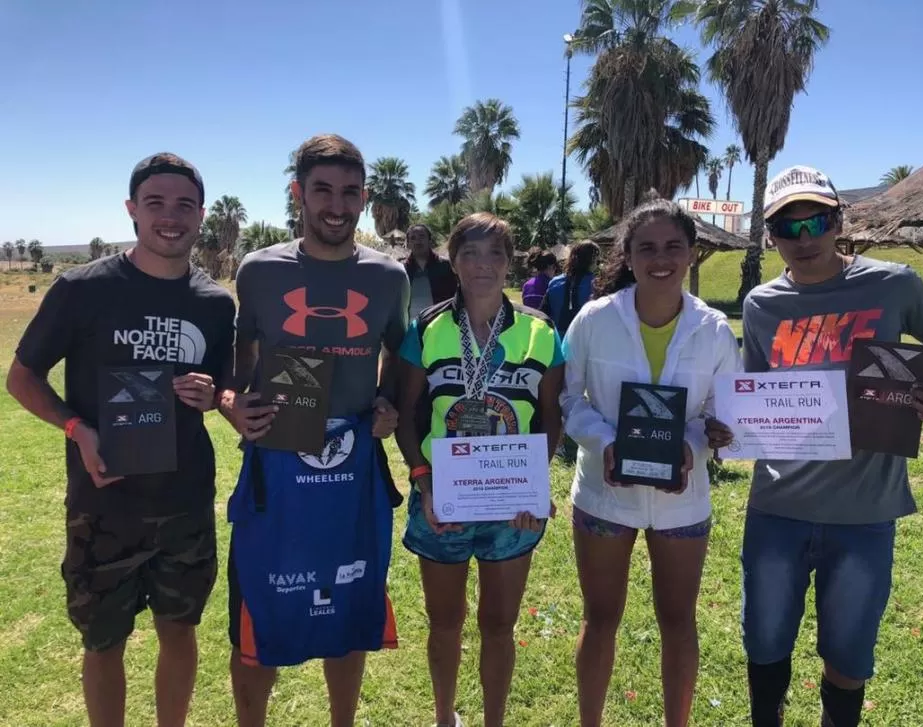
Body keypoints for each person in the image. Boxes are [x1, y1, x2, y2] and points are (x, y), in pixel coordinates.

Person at [708, 166, 923, 727]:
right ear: (769, 234)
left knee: (848, 655)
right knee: (765, 641)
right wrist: (729, 426)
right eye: (787, 226)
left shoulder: (893, 284)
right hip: (778, 507)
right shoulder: (760, 305)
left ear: (838, 220)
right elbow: (758, 393)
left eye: (816, 221)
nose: (804, 240)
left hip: (865, 511)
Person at [5, 153, 236, 727]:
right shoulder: (83, 289)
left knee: (179, 633)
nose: (170, 217)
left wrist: (213, 396)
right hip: (103, 504)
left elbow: (224, 391)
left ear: (202, 215)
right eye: (155, 203)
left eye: (184, 205)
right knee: (103, 642)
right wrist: (77, 429)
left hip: (183, 503)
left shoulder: (213, 304)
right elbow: (22, 377)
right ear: (132, 210)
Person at [218, 134, 409, 727]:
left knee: (350, 601)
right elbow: (240, 361)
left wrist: (387, 403)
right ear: (298, 193)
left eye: (350, 192)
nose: (336, 205)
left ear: (366, 198)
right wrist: (230, 403)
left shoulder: (387, 277)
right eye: (322, 189)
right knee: (262, 601)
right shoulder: (259, 271)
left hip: (352, 472)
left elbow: (400, 358)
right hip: (275, 468)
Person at [560, 200, 742, 727]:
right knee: (600, 620)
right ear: (629, 255)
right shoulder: (594, 320)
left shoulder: (713, 330)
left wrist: (694, 449)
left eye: (672, 247)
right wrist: (603, 441)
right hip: (603, 493)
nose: (660, 259)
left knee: (679, 622)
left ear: (691, 252)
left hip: (682, 502)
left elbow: (718, 413)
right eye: (647, 248)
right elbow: (570, 399)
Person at [395, 213, 564, 727]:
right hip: (440, 499)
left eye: (495, 254)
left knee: (499, 625)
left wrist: (536, 486)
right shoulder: (426, 328)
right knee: (444, 623)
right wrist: (421, 479)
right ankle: (444, 717)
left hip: (510, 505)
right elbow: (405, 414)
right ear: (454, 259)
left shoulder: (540, 331)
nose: (482, 265)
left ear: (510, 263)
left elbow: (552, 417)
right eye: (470, 253)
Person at [541, 240, 600, 337]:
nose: (597, 265)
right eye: (597, 261)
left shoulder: (555, 282)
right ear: (592, 261)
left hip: (558, 339)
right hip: (585, 340)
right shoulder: (597, 284)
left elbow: (543, 314)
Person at [403, 223, 458, 320]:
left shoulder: (446, 266)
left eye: (421, 236)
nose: (417, 241)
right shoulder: (402, 270)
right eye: (413, 238)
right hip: (411, 329)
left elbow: (457, 295)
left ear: (430, 240)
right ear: (408, 244)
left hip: (441, 324)